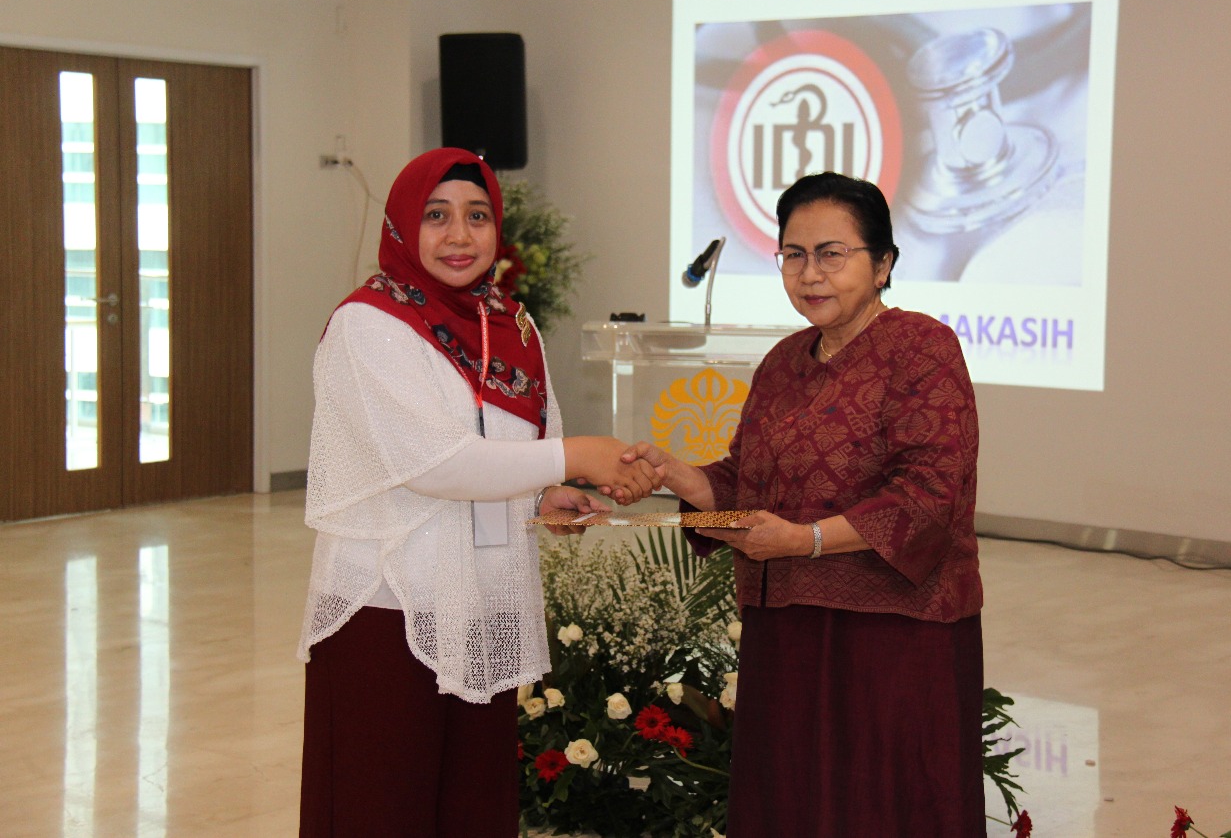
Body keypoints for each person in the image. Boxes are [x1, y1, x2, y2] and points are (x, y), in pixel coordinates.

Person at [296, 147, 659, 837]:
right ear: (403, 225)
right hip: (389, 606)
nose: (459, 235)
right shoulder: (369, 323)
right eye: (436, 216)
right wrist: (579, 455)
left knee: (473, 809)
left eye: (477, 216)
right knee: (378, 809)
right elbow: (436, 464)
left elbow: (508, 448)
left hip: (486, 599)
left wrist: (541, 495)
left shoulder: (510, 323)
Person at [620, 172, 984, 836]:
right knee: (790, 802)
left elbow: (929, 492)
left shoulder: (921, 347)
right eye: (794, 254)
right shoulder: (783, 361)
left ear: (883, 264)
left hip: (892, 634)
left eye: (831, 254)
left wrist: (804, 541)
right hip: (787, 633)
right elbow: (744, 482)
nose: (810, 274)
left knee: (881, 809)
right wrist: (677, 474)